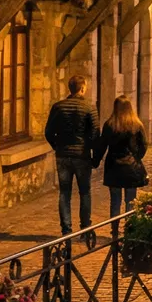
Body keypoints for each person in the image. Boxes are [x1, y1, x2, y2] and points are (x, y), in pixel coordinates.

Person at [44, 74, 98, 235]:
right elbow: (95, 133)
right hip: (82, 155)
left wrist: (57, 146)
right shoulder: (89, 107)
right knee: (85, 191)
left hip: (63, 155)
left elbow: (48, 131)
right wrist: (94, 155)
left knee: (64, 192)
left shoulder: (58, 107)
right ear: (82, 88)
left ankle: (66, 229)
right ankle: (85, 226)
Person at [95, 93, 149, 217]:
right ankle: (129, 229)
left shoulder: (109, 125)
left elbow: (102, 145)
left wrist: (95, 161)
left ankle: (114, 230)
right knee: (130, 202)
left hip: (113, 167)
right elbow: (144, 145)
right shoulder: (137, 125)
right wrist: (136, 158)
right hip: (132, 168)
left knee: (115, 202)